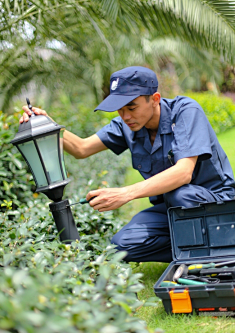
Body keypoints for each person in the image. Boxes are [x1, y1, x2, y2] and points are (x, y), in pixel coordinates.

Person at [20, 66, 235, 263]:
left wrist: (125, 194)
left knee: (181, 195)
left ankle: (215, 241)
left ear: (155, 99)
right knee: (121, 247)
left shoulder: (185, 111)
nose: (125, 116)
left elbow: (183, 173)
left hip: (215, 203)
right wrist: (46, 124)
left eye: (131, 107)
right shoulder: (127, 125)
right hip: (171, 210)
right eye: (120, 110)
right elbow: (81, 148)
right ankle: (207, 246)